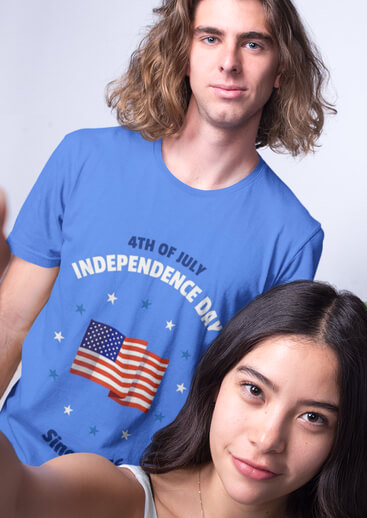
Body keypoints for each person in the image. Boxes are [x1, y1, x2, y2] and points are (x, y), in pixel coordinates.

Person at [0, 0, 334, 466]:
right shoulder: (83, 159)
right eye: (210, 37)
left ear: (281, 70)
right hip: (15, 456)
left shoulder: (291, 237)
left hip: (142, 500)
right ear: (183, 50)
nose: (229, 62)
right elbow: (11, 320)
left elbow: (252, 401)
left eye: (253, 44)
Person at [1, 280, 367, 518]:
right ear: (216, 383)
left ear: (344, 437)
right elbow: (16, 506)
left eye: (313, 418)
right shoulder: (122, 501)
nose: (268, 439)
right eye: (254, 390)